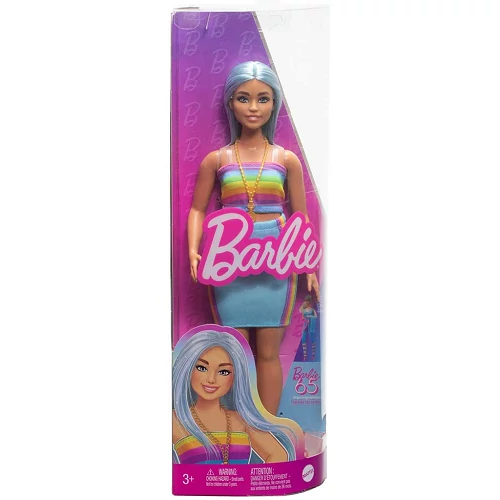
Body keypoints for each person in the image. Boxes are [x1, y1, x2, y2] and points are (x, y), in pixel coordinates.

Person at [187, 61, 320, 415]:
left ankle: (270, 427)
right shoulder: (217, 159)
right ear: (230, 102)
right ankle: (242, 425)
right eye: (243, 98)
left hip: (276, 256)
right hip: (230, 256)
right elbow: (197, 209)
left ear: (274, 103)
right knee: (236, 350)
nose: (253, 107)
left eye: (263, 99)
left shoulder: (286, 159)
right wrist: (194, 251)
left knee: (268, 352)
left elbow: (301, 216)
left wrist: (308, 265)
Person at [172, 330, 303, 464]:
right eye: (202, 368)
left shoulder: (241, 421)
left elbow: (278, 454)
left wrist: (252, 477)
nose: (211, 379)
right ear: (188, 369)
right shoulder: (174, 420)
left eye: (224, 372)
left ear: (235, 376)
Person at [299, 295, 318, 361]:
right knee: (303, 340)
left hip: (311, 326)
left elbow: (315, 317)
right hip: (305, 326)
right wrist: (304, 319)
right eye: (306, 301)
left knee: (312, 340)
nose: (307, 303)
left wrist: (310, 317)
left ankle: (313, 354)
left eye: (308, 301)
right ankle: (305, 355)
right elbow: (302, 317)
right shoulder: (303, 310)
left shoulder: (312, 310)